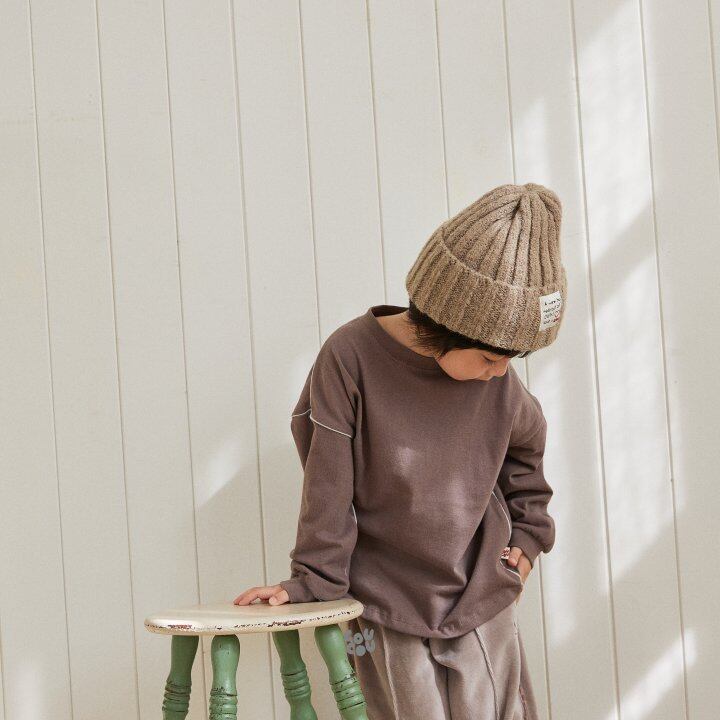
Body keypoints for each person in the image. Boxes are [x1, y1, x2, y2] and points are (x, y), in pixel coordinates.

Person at [234, 182, 567, 719]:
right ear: (446, 323)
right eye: (490, 357)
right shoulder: (350, 358)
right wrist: (311, 581)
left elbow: (526, 454)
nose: (502, 371)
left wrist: (527, 539)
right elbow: (327, 481)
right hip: (379, 605)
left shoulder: (500, 384)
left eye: (514, 357)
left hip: (481, 594)